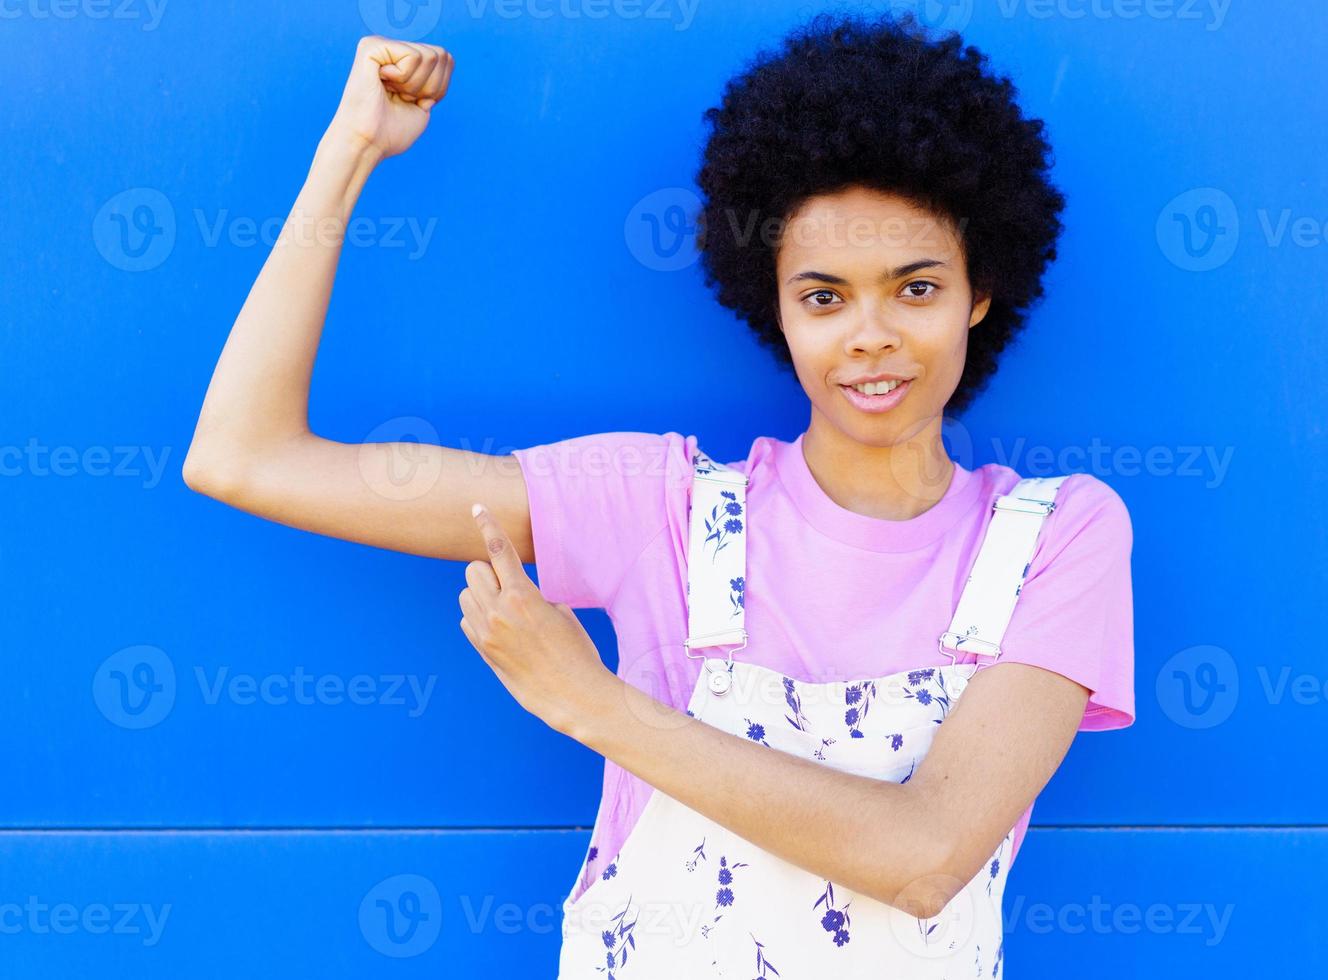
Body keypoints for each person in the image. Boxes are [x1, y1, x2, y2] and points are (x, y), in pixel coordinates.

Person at [183, 11, 1133, 977]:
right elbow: (244, 456)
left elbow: (927, 857)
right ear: (774, 305)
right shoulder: (656, 509)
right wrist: (349, 153)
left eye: (916, 289)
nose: (871, 335)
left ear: (982, 290)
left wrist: (587, 702)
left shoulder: (1057, 536)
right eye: (823, 296)